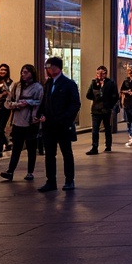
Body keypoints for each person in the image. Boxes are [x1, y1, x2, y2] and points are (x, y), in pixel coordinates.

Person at [38, 56, 81, 192]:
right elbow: (44, 101)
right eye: (47, 68)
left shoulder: (68, 84)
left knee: (66, 152)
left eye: (49, 67)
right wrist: (40, 114)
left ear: (57, 68)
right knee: (49, 154)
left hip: (62, 125)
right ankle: (51, 181)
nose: (48, 70)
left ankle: (69, 180)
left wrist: (65, 119)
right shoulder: (48, 84)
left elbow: (75, 104)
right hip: (48, 125)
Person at [1, 64, 43, 181]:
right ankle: (10, 171)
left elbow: (40, 102)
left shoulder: (38, 87)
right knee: (16, 148)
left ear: (32, 74)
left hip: (30, 122)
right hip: (17, 121)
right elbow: (8, 102)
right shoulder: (17, 86)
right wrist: (15, 105)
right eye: (22, 72)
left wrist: (28, 102)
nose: (23, 75)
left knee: (31, 148)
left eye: (26, 72)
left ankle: (30, 172)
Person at [85, 65, 119, 154]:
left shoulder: (110, 83)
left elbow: (115, 96)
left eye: (102, 73)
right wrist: (96, 89)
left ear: (105, 74)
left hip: (106, 110)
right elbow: (88, 95)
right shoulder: (94, 82)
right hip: (96, 110)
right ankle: (94, 147)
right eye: (98, 73)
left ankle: (108, 146)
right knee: (95, 129)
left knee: (107, 128)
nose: (100, 75)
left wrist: (110, 106)